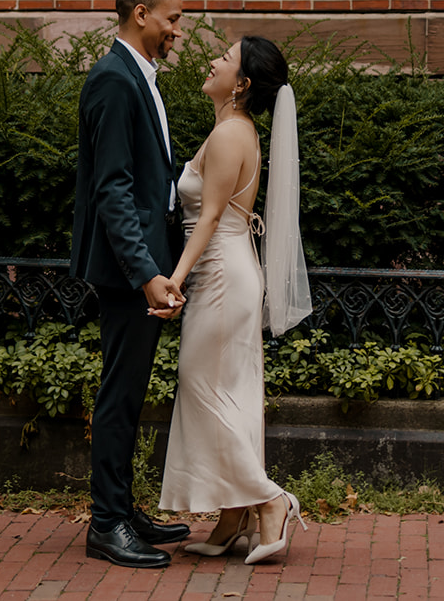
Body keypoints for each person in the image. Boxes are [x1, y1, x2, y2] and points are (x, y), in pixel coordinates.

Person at [157, 35, 313, 565]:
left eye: (224, 58)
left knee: (202, 387)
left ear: (242, 83)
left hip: (221, 276)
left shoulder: (230, 135)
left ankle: (270, 500)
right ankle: (233, 517)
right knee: (232, 392)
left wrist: (174, 280)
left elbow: (207, 220)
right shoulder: (234, 129)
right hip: (230, 271)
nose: (212, 60)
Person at [70, 0, 192, 569]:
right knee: (119, 394)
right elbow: (113, 192)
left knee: (130, 389)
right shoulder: (114, 80)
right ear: (140, 14)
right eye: (172, 19)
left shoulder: (136, 75)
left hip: (144, 262)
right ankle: (107, 524)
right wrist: (146, 272)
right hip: (128, 271)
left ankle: (123, 507)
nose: (178, 31)